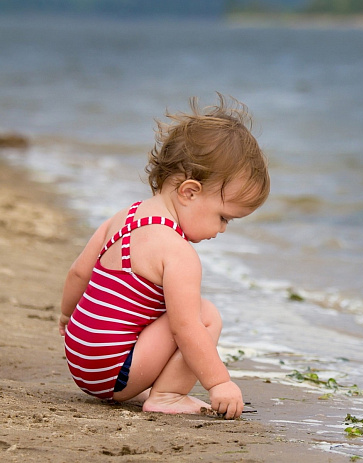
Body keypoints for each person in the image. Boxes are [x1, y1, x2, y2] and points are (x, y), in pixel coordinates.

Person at [58, 94, 269, 420]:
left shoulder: (123, 217)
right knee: (205, 314)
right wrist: (219, 383)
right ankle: (168, 395)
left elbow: (77, 274)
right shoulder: (178, 252)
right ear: (189, 192)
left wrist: (66, 317)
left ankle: (145, 384)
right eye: (224, 217)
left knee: (168, 313)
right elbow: (186, 329)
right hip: (112, 374)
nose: (223, 230)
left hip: (78, 359)